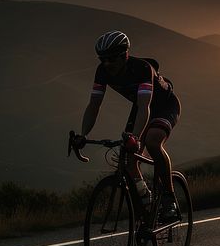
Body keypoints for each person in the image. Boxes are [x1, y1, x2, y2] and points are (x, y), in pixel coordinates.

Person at [73, 30, 182, 226]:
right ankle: (146, 201)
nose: (107, 63)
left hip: (164, 106)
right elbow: (94, 105)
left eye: (112, 59)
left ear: (125, 55)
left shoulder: (142, 69)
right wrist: (83, 134)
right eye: (102, 59)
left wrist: (136, 137)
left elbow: (145, 107)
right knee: (129, 160)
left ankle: (169, 199)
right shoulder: (102, 71)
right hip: (141, 108)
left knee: (152, 141)